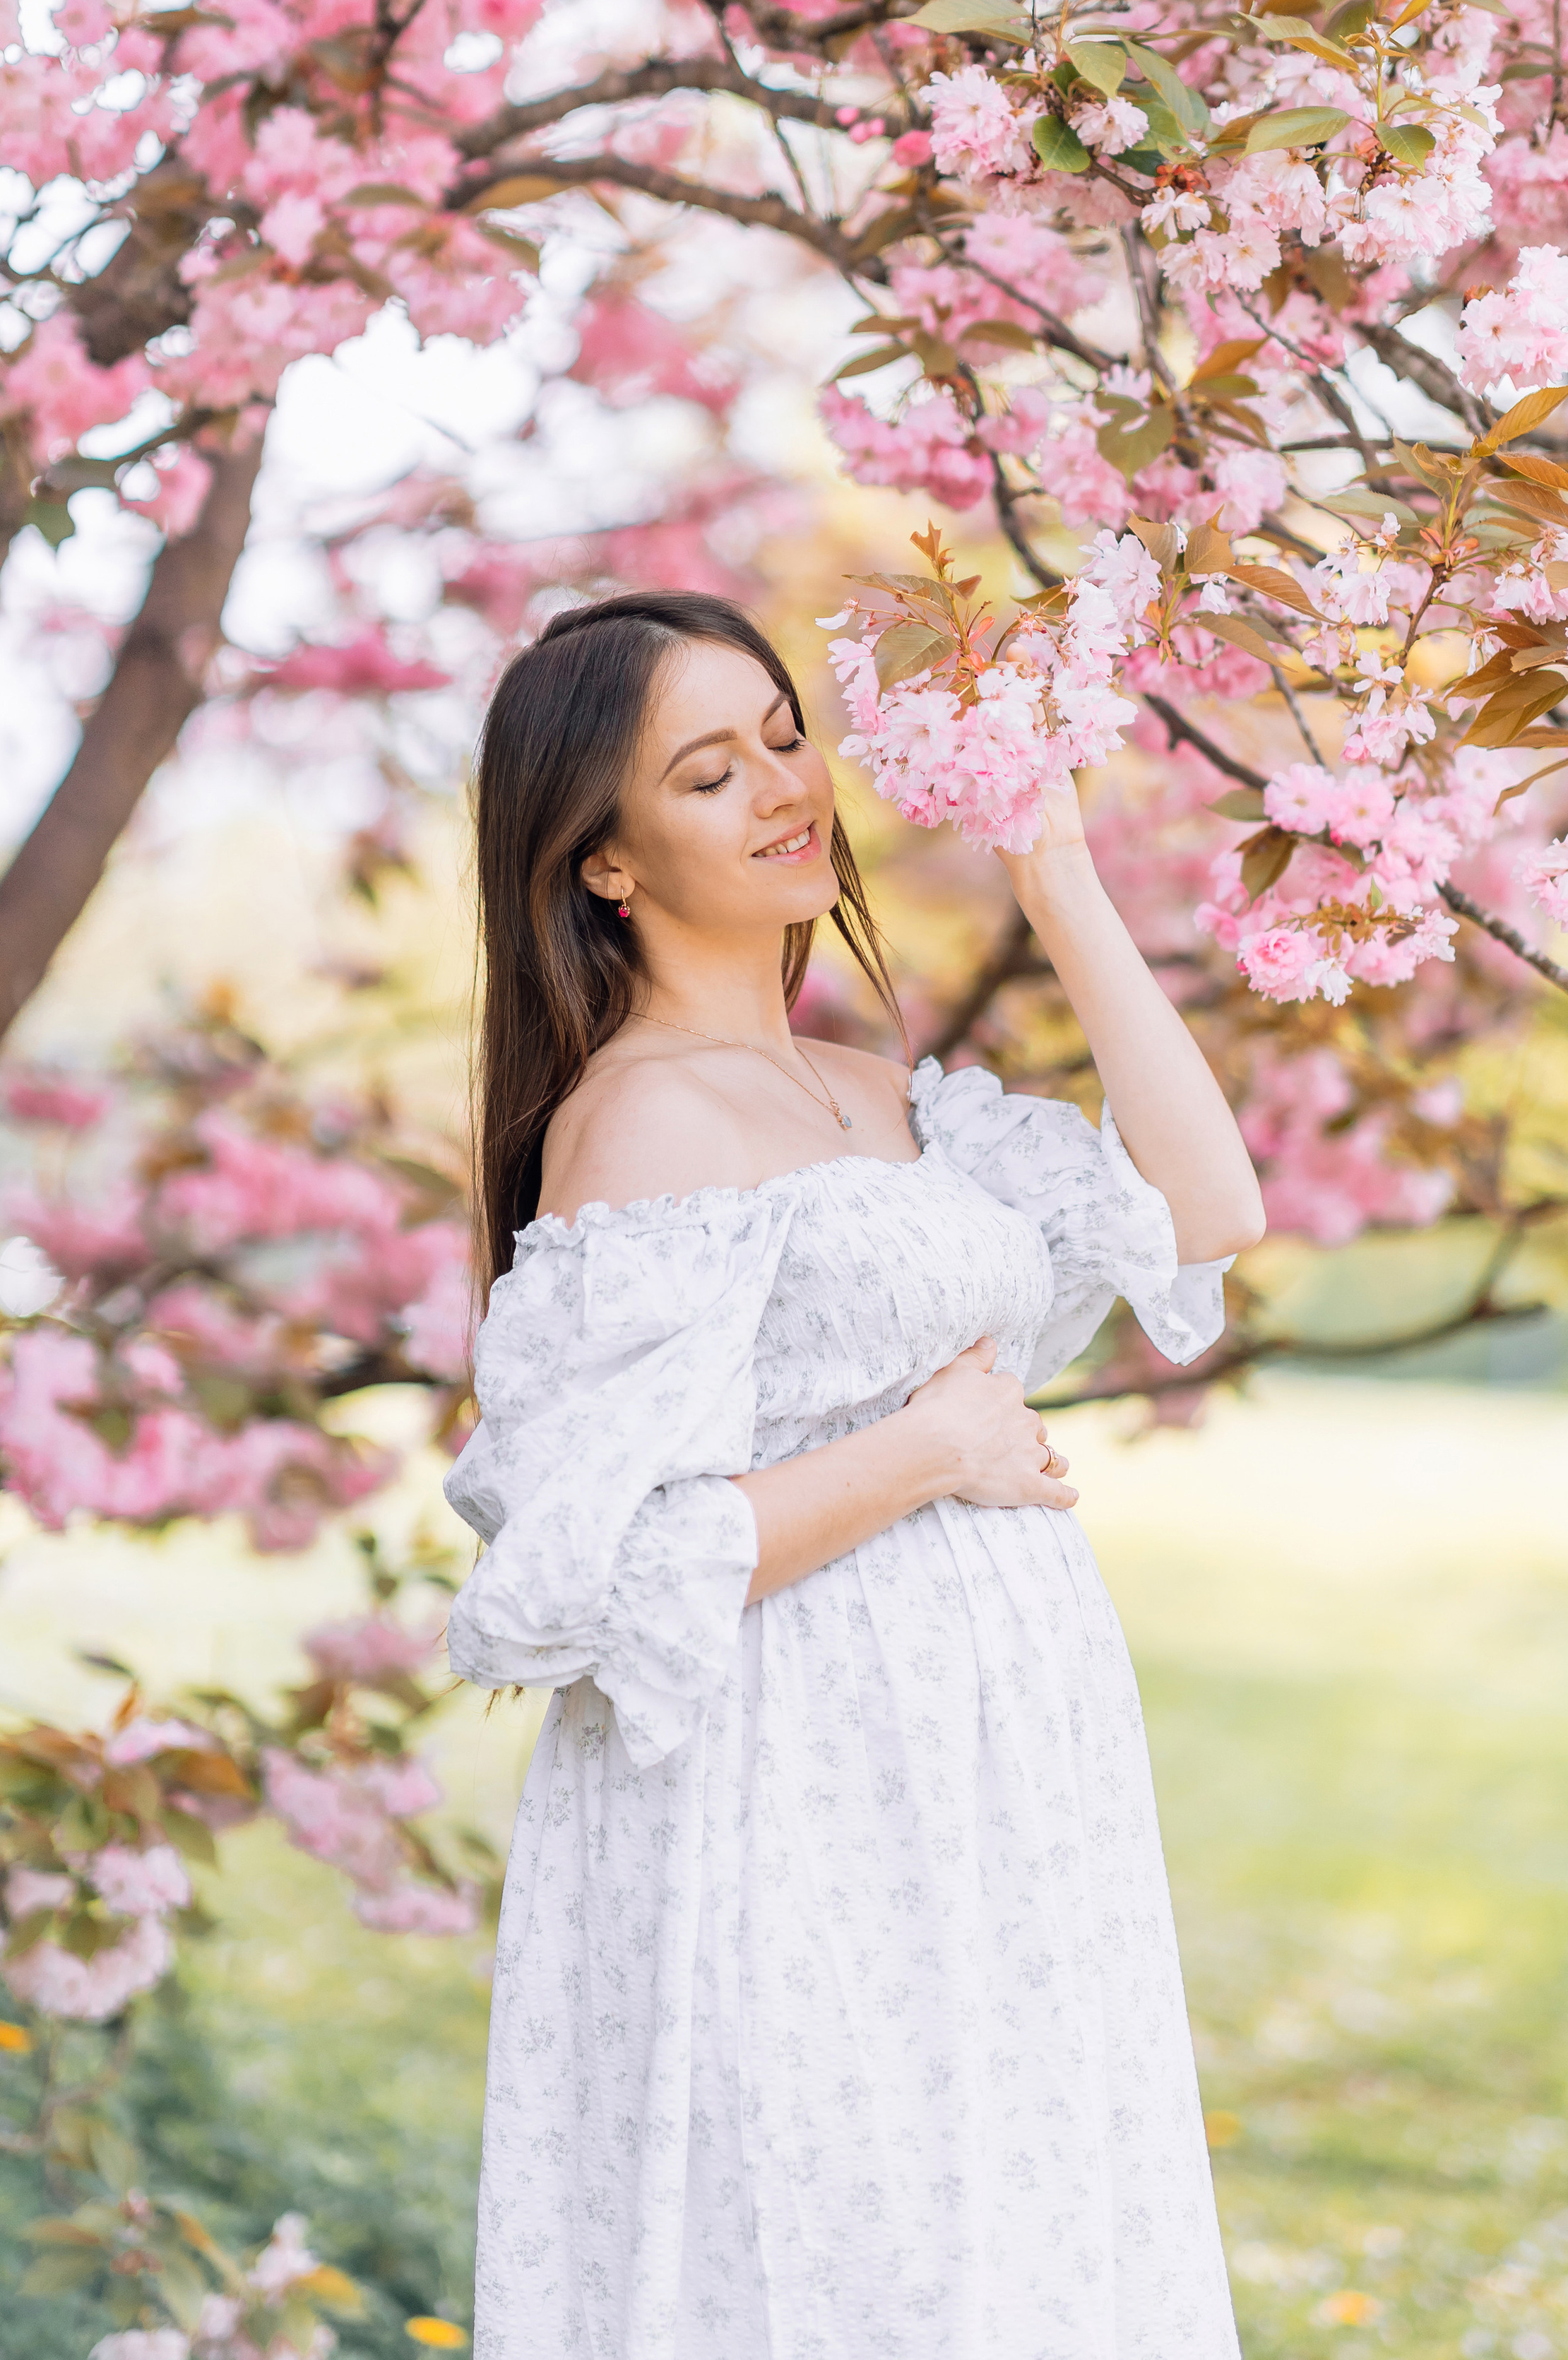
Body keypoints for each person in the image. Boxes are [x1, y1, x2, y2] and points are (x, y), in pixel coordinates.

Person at [444, 589, 1266, 2360]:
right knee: (853, 2255)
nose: (780, 786)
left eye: (783, 735)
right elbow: (577, 1584)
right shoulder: (638, 1122)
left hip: (993, 1770)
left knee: (1019, 2241)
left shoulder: (877, 1091)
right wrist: (922, 1454)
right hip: (800, 1783)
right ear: (604, 862)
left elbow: (1207, 1209)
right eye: (706, 771)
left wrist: (1055, 870)